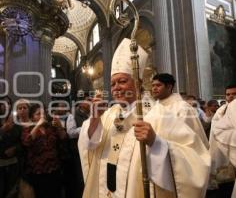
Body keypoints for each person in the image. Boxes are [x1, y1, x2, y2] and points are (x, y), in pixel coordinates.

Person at [78, 38, 210, 198]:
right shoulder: (108, 114)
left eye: (122, 81)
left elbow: (196, 161)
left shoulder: (160, 114)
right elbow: (89, 147)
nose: (117, 88)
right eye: (113, 84)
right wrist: (94, 119)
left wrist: (156, 143)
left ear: (138, 82)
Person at [151, 73, 209, 147]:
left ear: (169, 87)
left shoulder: (183, 107)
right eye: (153, 85)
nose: (154, 88)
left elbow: (187, 136)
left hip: (175, 152)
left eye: (158, 85)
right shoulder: (155, 107)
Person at [208, 84, 236, 198]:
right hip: (222, 153)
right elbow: (214, 133)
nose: (231, 97)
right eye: (228, 94)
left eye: (234, 94)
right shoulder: (221, 111)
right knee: (225, 187)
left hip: (234, 150)